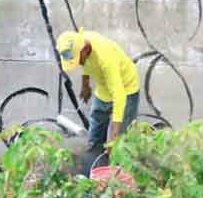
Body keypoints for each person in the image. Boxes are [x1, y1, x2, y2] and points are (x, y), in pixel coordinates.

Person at [56, 28, 140, 176]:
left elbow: (119, 95)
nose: (79, 63)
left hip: (126, 90)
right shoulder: (82, 45)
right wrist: (85, 84)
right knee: (94, 139)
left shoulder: (105, 57)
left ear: (86, 49)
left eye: (79, 59)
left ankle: (116, 180)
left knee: (118, 144)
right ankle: (94, 176)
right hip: (103, 89)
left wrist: (113, 135)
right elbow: (85, 65)